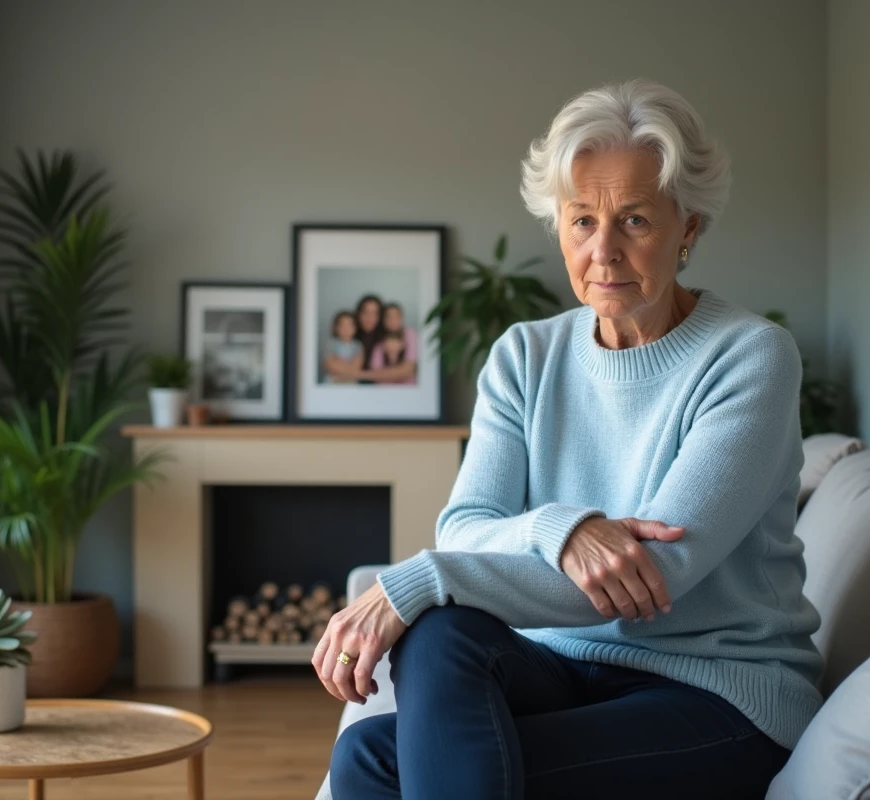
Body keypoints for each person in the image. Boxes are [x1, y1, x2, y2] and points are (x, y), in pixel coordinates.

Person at [315, 79, 822, 799]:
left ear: (691, 228)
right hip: (562, 668)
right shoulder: (525, 356)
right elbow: (464, 528)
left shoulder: (750, 356)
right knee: (431, 645)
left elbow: (651, 576)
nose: (604, 251)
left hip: (718, 697)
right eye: (582, 220)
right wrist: (565, 528)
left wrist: (420, 577)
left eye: (636, 220)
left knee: (377, 759)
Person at [368, 303, 418, 385]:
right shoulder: (380, 342)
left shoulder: (409, 334)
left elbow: (407, 370)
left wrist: (363, 374)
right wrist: (397, 373)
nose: (392, 320)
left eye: (396, 317)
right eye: (388, 317)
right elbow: (376, 374)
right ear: (383, 320)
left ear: (401, 318)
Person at [323, 310, 364, 384]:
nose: (346, 329)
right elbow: (329, 364)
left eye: (349, 325)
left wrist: (339, 364)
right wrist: (349, 369)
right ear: (335, 328)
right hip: (333, 381)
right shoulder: (331, 343)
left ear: (355, 328)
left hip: (351, 382)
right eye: (342, 325)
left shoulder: (357, 345)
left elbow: (356, 367)